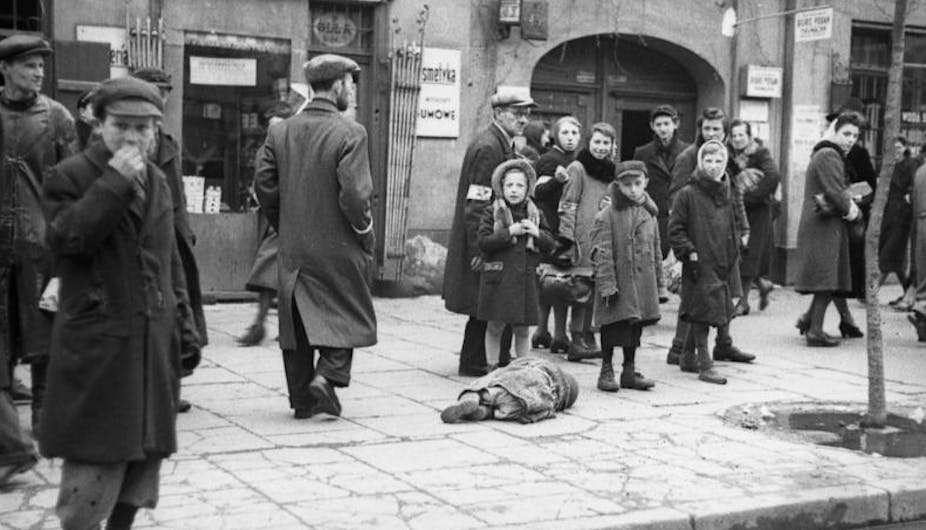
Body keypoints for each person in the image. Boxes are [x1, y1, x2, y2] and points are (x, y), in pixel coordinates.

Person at [40, 76, 198, 530]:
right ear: (98, 124)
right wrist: (113, 183)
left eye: (144, 128)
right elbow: (67, 240)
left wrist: (183, 325)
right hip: (100, 350)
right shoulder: (70, 176)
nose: (133, 137)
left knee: (142, 469)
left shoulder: (157, 181)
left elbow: (168, 259)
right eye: (121, 126)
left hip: (152, 344)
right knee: (93, 472)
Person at [255, 54, 377, 419]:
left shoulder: (281, 130)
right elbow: (355, 194)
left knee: (295, 322)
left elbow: (263, 184)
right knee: (347, 309)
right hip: (338, 243)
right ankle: (328, 376)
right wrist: (364, 232)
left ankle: (301, 401)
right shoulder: (351, 132)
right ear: (338, 85)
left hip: (292, 245)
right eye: (350, 85)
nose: (352, 92)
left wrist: (285, 222)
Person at [0, 35, 77, 438]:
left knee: (44, 329)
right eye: (29, 65)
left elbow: (73, 181)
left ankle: (45, 417)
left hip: (42, 244)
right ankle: (7, 431)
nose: (38, 73)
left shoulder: (58, 117)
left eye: (41, 66)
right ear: (5, 69)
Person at [443, 87, 534, 376]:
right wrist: (479, 250)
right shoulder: (489, 147)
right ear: (498, 113)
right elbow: (477, 205)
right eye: (517, 113)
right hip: (489, 242)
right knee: (487, 301)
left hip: (498, 240)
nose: (523, 119)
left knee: (495, 300)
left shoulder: (502, 144)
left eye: (526, 113)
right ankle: (476, 361)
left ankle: (494, 358)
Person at [131, 67, 206, 413]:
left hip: (172, 235)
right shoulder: (128, 138)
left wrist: (185, 229)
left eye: (165, 92)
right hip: (137, 236)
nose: (161, 98)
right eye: (155, 90)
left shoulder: (169, 142)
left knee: (178, 311)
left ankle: (170, 388)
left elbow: (177, 194)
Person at [665, 107, 753, 367]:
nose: (711, 133)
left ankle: (723, 344)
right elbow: (678, 200)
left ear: (725, 133)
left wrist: (743, 229)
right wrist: (687, 243)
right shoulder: (690, 157)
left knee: (722, 294)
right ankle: (681, 349)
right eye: (707, 129)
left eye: (717, 129)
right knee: (697, 298)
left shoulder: (727, 159)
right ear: (700, 130)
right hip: (699, 240)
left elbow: (734, 198)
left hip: (723, 239)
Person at [792, 112, 866, 347]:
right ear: (835, 131)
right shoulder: (829, 155)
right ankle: (815, 331)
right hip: (824, 224)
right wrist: (854, 210)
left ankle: (809, 321)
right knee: (827, 277)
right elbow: (835, 191)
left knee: (828, 276)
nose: (851, 139)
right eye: (846, 133)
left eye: (855, 135)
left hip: (824, 222)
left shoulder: (825, 153)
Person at [591, 160, 662, 392]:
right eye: (627, 184)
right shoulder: (607, 215)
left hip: (642, 283)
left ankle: (629, 370)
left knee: (634, 326)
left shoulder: (649, 213)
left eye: (637, 183)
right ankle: (606, 368)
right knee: (612, 326)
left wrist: (659, 285)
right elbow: (601, 252)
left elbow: (656, 250)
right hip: (617, 282)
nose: (633, 189)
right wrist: (607, 284)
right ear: (617, 185)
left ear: (646, 183)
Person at [476, 159, 554, 369]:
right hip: (499, 280)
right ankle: (492, 366)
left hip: (525, 281)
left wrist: (536, 233)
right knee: (494, 325)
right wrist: (509, 232)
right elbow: (483, 242)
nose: (514, 190)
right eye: (509, 185)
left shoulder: (536, 214)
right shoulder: (491, 212)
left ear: (528, 188)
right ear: (501, 187)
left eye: (520, 185)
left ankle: (522, 368)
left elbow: (550, 244)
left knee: (522, 329)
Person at [558, 122, 617, 362]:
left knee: (594, 291)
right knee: (580, 290)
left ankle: (586, 335)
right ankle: (575, 340)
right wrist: (567, 238)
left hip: (601, 238)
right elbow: (568, 205)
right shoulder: (578, 168)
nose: (601, 147)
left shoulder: (611, 171)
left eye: (606, 143)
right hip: (581, 237)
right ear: (589, 143)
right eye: (597, 142)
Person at [239, 102, 294, 346]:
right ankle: (265, 324)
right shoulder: (268, 150)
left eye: (279, 127)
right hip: (276, 217)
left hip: (291, 218)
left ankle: (266, 325)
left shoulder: (295, 150)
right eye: (271, 127)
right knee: (272, 273)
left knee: (279, 274)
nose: (274, 132)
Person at [531, 115, 581, 352]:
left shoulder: (577, 159)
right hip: (552, 226)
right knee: (551, 281)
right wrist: (556, 181)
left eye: (574, 133)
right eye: (565, 133)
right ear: (556, 136)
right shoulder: (550, 159)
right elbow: (537, 191)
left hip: (570, 226)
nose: (570, 138)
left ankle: (556, 332)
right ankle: (545, 330)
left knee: (562, 282)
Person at [728, 119, 780, 315]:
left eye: (741, 135)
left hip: (757, 212)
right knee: (742, 253)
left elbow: (773, 176)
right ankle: (763, 284)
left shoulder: (760, 153)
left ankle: (742, 303)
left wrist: (752, 197)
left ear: (749, 136)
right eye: (734, 135)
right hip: (739, 210)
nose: (737, 139)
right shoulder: (731, 155)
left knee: (749, 254)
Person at [439, 356, 578, 424]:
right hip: (521, 404)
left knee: (490, 385)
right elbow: (545, 411)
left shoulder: (536, 366)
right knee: (505, 406)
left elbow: (509, 367)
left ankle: (475, 396)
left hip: (512, 382)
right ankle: (487, 412)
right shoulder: (551, 395)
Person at [633, 104, 690, 266]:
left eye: (667, 124)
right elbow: (636, 184)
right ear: (652, 127)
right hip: (652, 215)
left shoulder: (688, 152)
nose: (663, 129)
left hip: (679, 217)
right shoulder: (642, 153)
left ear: (675, 124)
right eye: (658, 125)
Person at [879, 136, 917, 297]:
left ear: (905, 148)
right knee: (897, 259)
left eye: (899, 148)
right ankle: (909, 294)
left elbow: (914, 185)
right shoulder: (888, 165)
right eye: (893, 148)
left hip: (903, 215)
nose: (896, 152)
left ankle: (871, 294)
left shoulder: (911, 165)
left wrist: (909, 194)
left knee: (887, 255)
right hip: (888, 214)